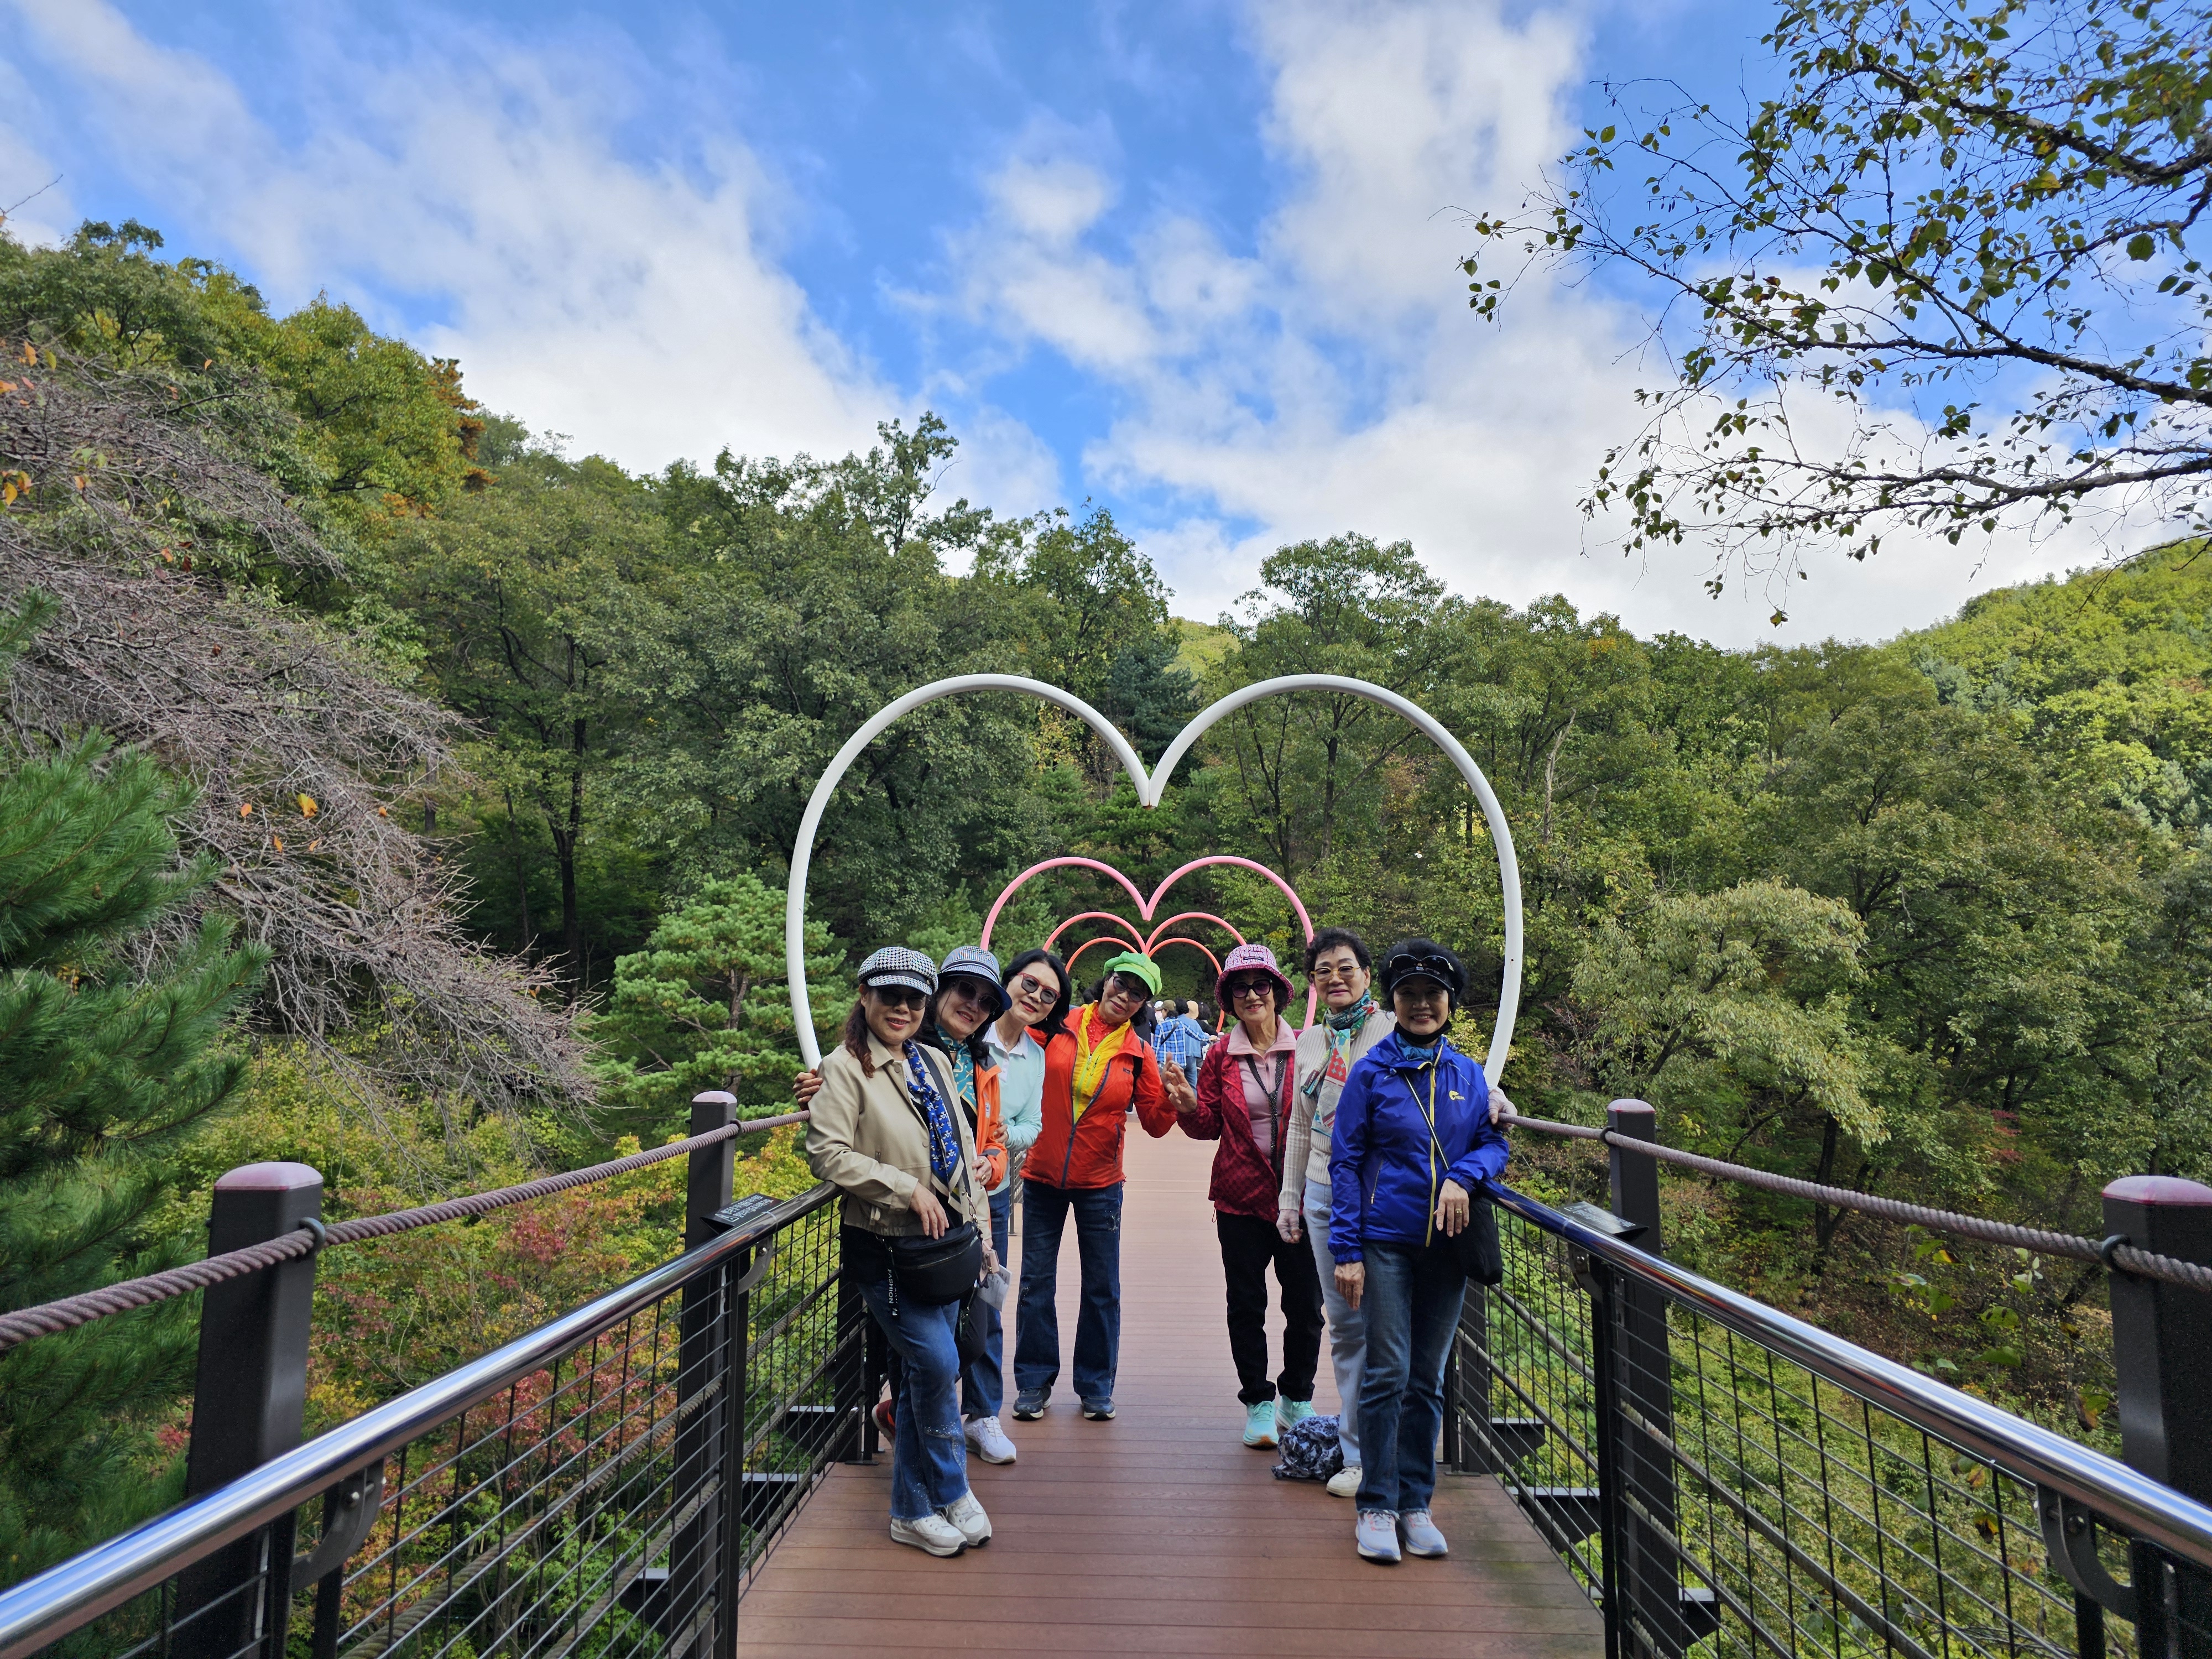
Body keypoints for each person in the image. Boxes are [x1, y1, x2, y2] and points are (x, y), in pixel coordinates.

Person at [806, 947, 997, 1558]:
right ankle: (949, 1490)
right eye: (891, 995)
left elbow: (964, 1160)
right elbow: (828, 1153)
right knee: (936, 1366)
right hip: (887, 1248)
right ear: (864, 994)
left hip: (947, 1248)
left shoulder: (934, 1061)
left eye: (915, 998)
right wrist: (905, 1187)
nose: (903, 1008)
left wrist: (984, 1240)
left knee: (929, 1373)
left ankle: (914, 1510)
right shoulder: (843, 1068)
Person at [1329, 938, 1509, 1566]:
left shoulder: (1467, 1075)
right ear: (1394, 1002)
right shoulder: (1371, 1074)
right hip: (1384, 1243)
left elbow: (1494, 1146)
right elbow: (1346, 1162)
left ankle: (1415, 1504)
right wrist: (1345, 1250)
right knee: (1387, 1371)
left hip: (1448, 1248)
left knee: (1428, 1378)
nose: (1421, 1005)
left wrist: (1465, 1176)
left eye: (1433, 995)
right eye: (1409, 995)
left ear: (1450, 1004)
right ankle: (1376, 1504)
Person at [1013, 950, 1192, 1422]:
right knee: (1035, 1283)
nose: (1125, 996)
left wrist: (1175, 1101)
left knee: (1101, 1288)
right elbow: (1005, 1058)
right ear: (1106, 981)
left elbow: (1154, 1123)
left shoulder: (1138, 1053)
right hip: (1041, 1175)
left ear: (1144, 1004)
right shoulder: (1056, 1023)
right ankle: (1033, 1382)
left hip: (1100, 1183)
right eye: (1121, 984)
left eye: (1137, 994)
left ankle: (1094, 1386)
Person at [1177, 942, 1325, 1449]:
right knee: (1247, 1302)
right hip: (1240, 1197)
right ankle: (1258, 1401)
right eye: (1240, 987)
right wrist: (1186, 1105)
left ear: (1279, 992)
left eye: (1261, 985)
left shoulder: (1309, 1046)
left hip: (1301, 1196)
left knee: (1306, 1303)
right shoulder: (1220, 1054)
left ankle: (1297, 1396)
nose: (1252, 995)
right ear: (1230, 998)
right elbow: (1207, 1126)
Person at [1275, 927, 1395, 1497]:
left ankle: (1390, 1447)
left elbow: (1444, 1081)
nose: (1335, 979)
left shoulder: (1395, 1031)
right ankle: (1356, 1453)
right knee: (1346, 1326)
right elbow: (1300, 1124)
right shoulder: (1312, 1041)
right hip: (1323, 1192)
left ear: (1366, 975)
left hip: (1384, 1196)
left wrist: (1494, 1101)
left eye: (1345, 968)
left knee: (1389, 1325)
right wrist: (1289, 1198)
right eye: (1323, 971)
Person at [966, 946, 1070, 1464]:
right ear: (1008, 981)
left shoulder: (1036, 1056)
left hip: (995, 1189)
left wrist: (1008, 1137)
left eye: (1048, 995)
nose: (1035, 997)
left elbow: (1035, 1123)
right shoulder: (966, 1033)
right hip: (942, 1188)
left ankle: (983, 1412)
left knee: (988, 1299)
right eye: (1030, 984)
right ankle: (921, 1405)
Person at [1154, 997, 1209, 1079]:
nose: (1162, 1013)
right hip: (1180, 1065)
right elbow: (1197, 1036)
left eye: (1162, 1011)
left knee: (1164, 1088)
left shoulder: (1161, 1026)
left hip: (1164, 1063)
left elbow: (1156, 1048)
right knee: (1178, 1088)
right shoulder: (1181, 1025)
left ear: (1167, 1011)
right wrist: (1209, 1038)